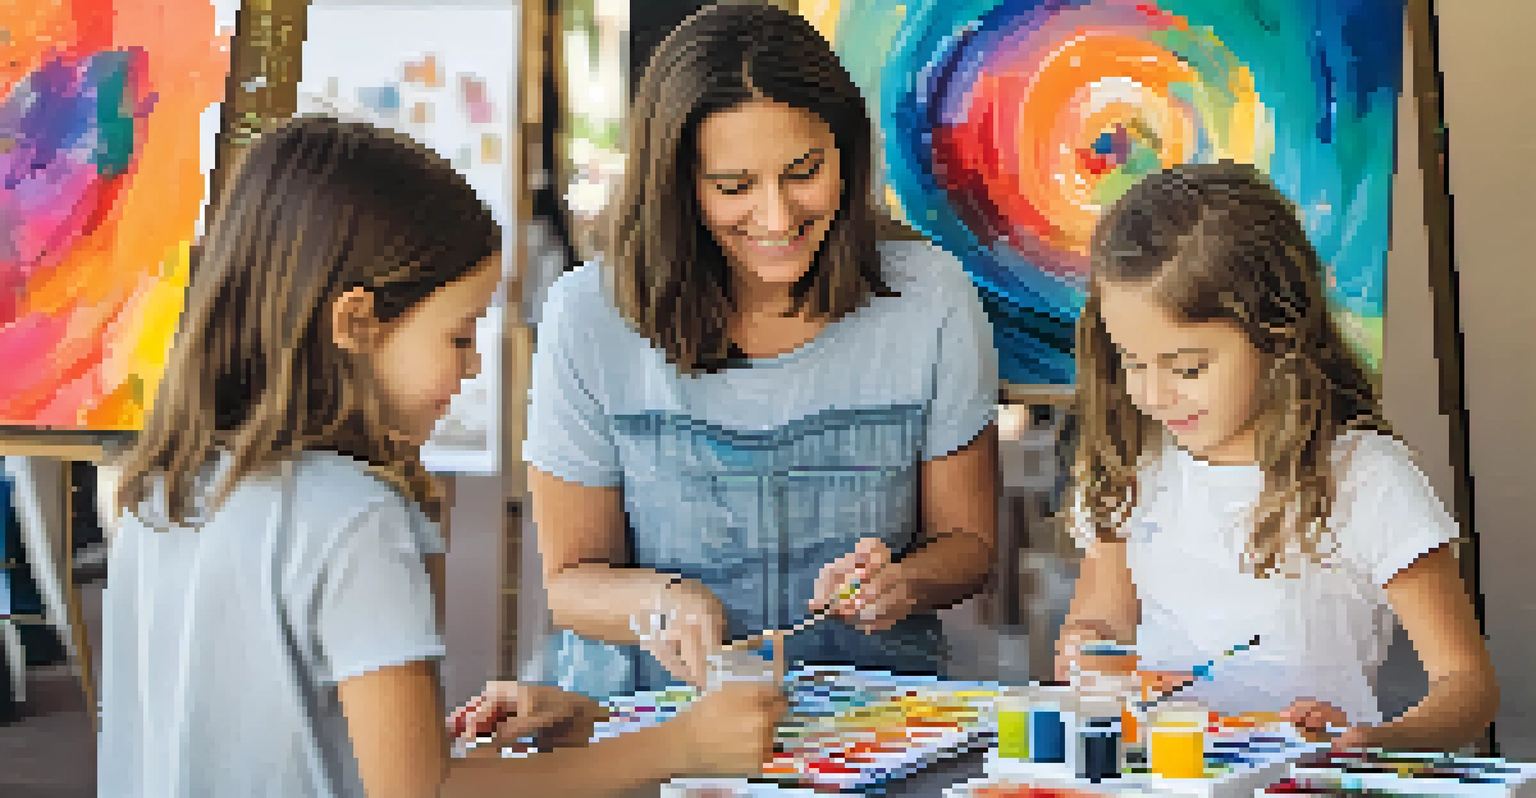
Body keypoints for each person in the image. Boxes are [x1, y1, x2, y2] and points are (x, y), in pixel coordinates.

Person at [99, 115, 786, 798]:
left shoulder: (160, 490)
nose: (474, 364)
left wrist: (598, 729)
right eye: (459, 336)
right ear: (356, 322)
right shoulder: (355, 519)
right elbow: (425, 791)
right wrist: (680, 747)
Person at [521, 2, 999, 702]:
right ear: (676, 184)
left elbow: (969, 546)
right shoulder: (587, 315)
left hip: (871, 722)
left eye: (804, 171)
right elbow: (569, 583)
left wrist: (904, 582)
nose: (776, 217)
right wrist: (666, 601)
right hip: (648, 725)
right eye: (734, 187)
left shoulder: (932, 299)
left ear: (846, 153)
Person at [1054, 161, 1499, 752]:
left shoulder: (1363, 476)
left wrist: (1374, 741)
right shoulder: (1133, 461)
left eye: (1188, 368)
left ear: (1277, 335)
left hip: (1310, 779)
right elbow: (1102, 625)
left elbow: (1467, 686)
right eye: (1133, 363)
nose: (1155, 394)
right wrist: (1087, 649)